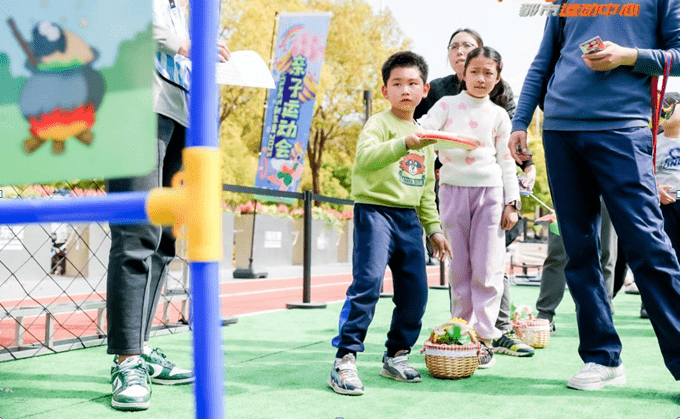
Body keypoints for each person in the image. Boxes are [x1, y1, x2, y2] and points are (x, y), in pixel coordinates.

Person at [510, 0, 680, 391]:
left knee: (649, 246)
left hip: (623, 129)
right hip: (559, 129)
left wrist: (628, 56)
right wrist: (521, 120)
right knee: (579, 251)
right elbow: (544, 60)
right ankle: (601, 357)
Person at [107, 0, 230, 411]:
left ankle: (141, 347)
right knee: (137, 229)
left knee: (164, 238)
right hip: (135, 98)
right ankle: (127, 360)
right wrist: (184, 44)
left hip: (183, 108)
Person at [328, 51, 452, 396]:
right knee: (367, 283)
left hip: (408, 219)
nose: (405, 90)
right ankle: (345, 358)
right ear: (385, 91)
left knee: (415, 292)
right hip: (374, 211)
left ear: (425, 89)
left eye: (412, 83)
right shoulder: (378, 124)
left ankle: (397, 354)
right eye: (397, 84)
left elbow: (427, 188)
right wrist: (402, 144)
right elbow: (365, 160)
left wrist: (435, 229)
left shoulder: (426, 137)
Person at [414, 29, 535, 358]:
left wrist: (513, 203)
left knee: (488, 266)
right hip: (452, 192)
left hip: (490, 195)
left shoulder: (498, 115)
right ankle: (462, 331)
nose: (481, 79)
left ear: (498, 77)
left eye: (488, 73)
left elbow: (507, 162)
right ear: (463, 73)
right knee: (460, 268)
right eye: (474, 72)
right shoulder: (446, 105)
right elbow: (421, 128)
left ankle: (485, 336)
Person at [536, 199, 617, 331]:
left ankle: (601, 313)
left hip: (606, 190)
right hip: (566, 188)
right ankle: (545, 313)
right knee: (557, 252)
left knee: (605, 253)